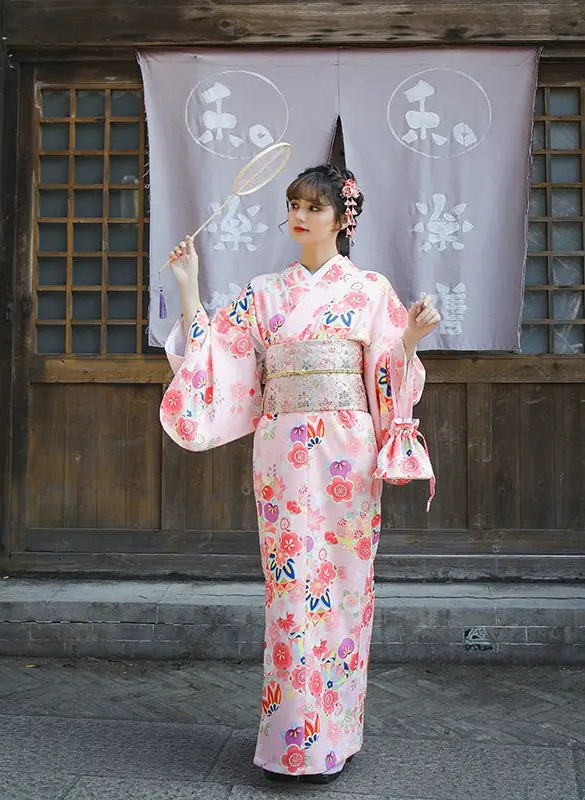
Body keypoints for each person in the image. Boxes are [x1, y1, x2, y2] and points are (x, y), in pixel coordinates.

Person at [161, 164, 440, 783]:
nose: (300, 216)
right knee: (290, 589)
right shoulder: (264, 292)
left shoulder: (369, 290)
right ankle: (294, 741)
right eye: (293, 204)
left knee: (343, 585)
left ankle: (334, 735)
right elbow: (216, 355)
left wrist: (411, 342)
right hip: (283, 449)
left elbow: (392, 372)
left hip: (348, 449)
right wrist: (189, 285)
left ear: (344, 219)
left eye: (314, 207)